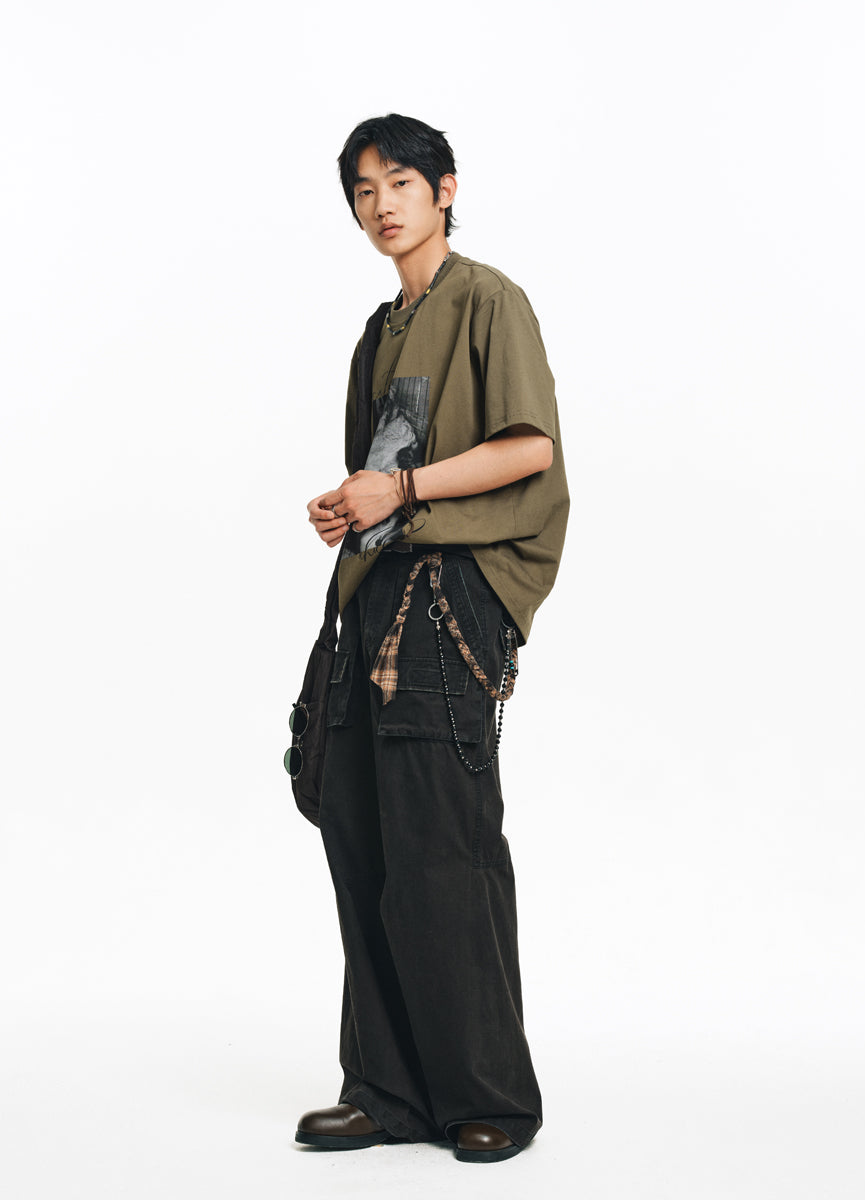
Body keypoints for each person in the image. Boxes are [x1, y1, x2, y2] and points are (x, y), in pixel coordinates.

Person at [295, 113, 569, 1165]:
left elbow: (530, 446)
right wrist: (354, 506)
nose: (382, 205)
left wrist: (401, 489)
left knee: (444, 848)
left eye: (401, 182)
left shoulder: (487, 298)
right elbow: (386, 481)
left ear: (445, 188)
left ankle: (485, 1094)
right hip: (373, 595)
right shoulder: (381, 331)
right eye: (364, 191)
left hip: (452, 599)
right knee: (361, 836)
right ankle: (385, 1092)